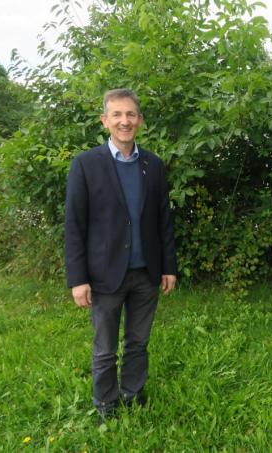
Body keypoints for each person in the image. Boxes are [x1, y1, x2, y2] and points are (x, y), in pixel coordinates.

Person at [65, 88, 177, 423]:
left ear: (139, 120)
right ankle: (105, 404)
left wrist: (168, 266)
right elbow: (74, 225)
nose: (124, 121)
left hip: (146, 273)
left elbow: (162, 220)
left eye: (130, 114)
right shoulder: (86, 165)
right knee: (104, 349)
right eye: (117, 115)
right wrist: (78, 278)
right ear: (105, 120)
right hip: (104, 275)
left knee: (138, 343)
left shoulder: (152, 165)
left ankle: (132, 393)